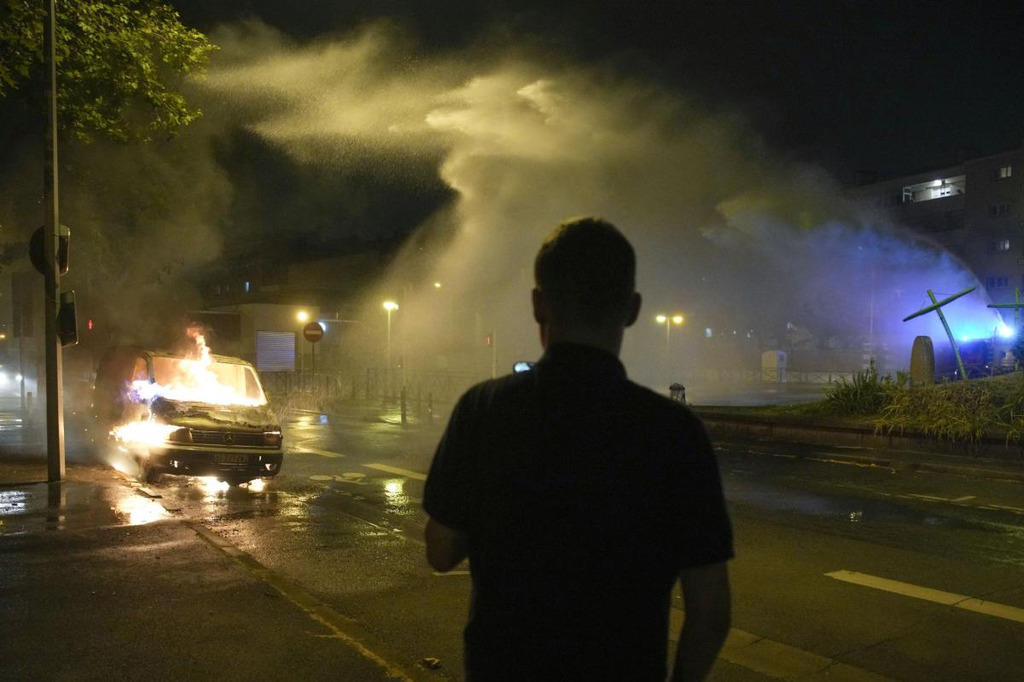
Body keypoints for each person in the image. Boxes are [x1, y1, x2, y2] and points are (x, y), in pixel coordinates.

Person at [423, 217, 733, 681]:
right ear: (632, 309)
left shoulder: (484, 408)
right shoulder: (674, 431)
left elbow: (441, 551)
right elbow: (710, 611)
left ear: (538, 304)